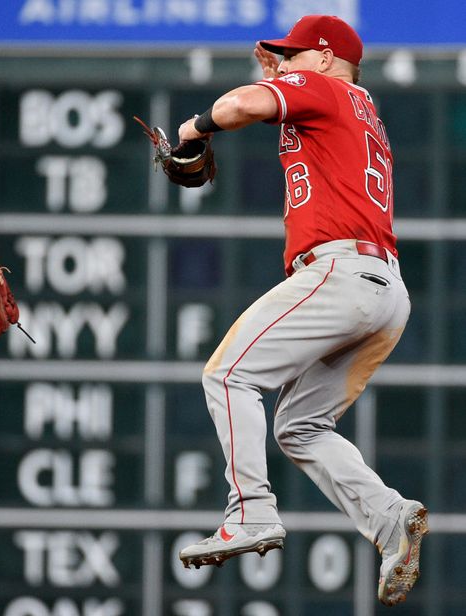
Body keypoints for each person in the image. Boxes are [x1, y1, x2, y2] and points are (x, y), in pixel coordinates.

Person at [174, 16, 428, 606]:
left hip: (340, 273)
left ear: (323, 55)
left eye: (293, 54)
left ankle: (251, 512)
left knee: (228, 374)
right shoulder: (357, 105)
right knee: (301, 426)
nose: (282, 64)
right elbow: (275, 100)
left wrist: (192, 130)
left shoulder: (325, 88)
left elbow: (237, 105)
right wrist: (283, 81)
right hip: (385, 290)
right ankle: (390, 518)